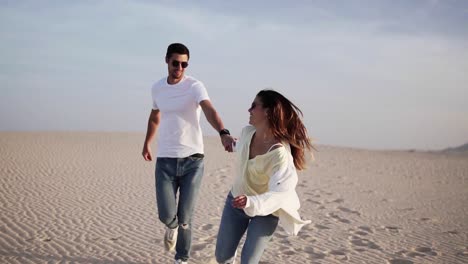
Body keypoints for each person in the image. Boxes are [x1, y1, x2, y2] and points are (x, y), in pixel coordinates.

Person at [142, 43, 235, 264]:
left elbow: (210, 109)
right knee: (166, 215)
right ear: (166, 60)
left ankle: (181, 258)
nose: (180, 68)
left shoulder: (195, 86)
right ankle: (170, 227)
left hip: (193, 160)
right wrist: (147, 143)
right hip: (165, 160)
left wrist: (223, 132)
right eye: (176, 63)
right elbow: (155, 116)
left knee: (186, 217)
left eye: (184, 64)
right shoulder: (157, 88)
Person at [215, 89, 313, 264]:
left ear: (267, 111)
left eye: (254, 106)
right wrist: (231, 142)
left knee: (249, 261)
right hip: (236, 201)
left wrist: (252, 202)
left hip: (266, 211)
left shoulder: (279, 154)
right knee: (222, 257)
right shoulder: (247, 133)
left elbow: (280, 193)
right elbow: (242, 146)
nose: (249, 110)